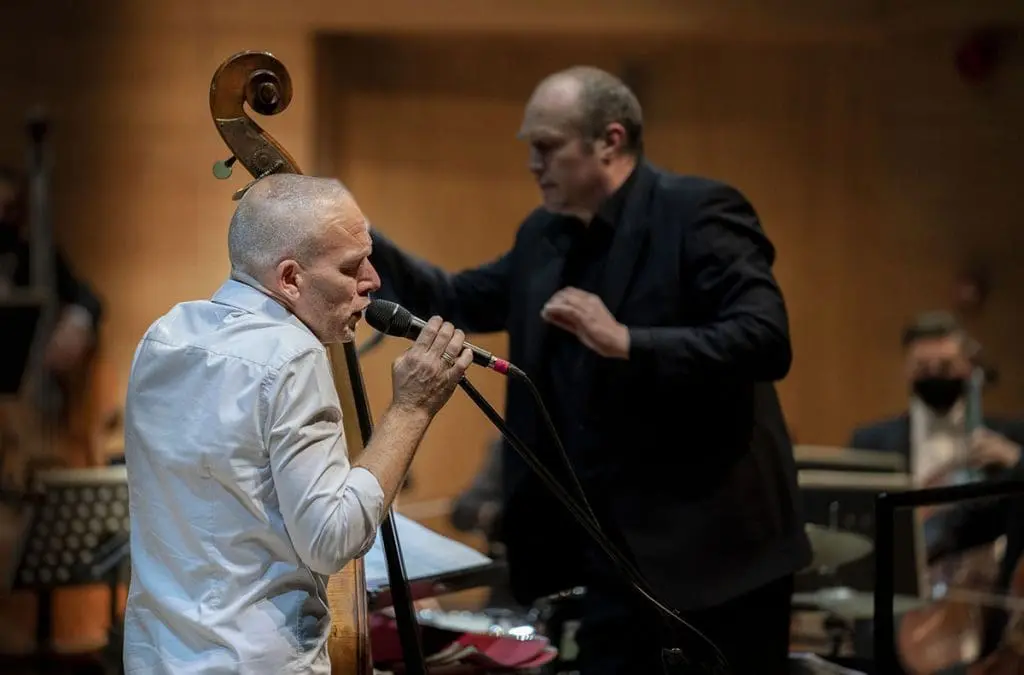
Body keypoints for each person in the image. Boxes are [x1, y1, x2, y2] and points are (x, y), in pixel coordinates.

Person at [368, 66, 810, 674]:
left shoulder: (699, 213)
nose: (533, 163)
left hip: (717, 561)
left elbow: (765, 340)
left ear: (611, 140)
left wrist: (627, 340)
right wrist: (356, 234)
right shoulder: (544, 236)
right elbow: (456, 298)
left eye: (547, 146)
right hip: (608, 561)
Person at [121, 175, 473, 675]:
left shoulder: (163, 335)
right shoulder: (291, 356)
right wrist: (412, 409)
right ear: (290, 278)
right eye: (352, 267)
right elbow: (331, 539)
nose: (372, 281)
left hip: (157, 656)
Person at [848, 311, 1024, 489]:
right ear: (907, 371)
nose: (934, 374)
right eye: (923, 368)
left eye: (946, 367)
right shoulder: (869, 443)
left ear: (968, 367)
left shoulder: (1013, 439)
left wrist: (1016, 460)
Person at [0, 165, 103, 393]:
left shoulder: (34, 255)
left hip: (32, 396)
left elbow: (89, 299)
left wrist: (76, 323)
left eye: (9, 209)